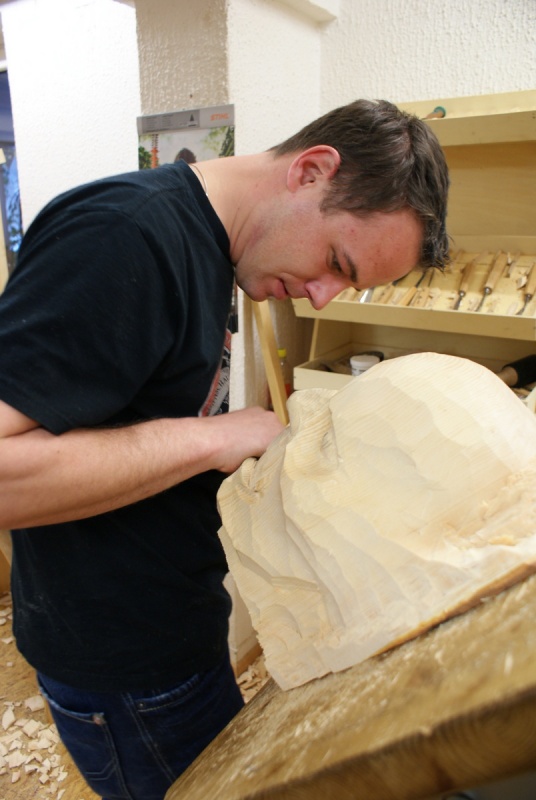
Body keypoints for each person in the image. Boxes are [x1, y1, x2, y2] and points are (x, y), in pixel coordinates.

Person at [0, 99, 449, 800]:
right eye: (335, 262)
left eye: (347, 285)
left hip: (177, 628)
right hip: (125, 665)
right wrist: (214, 436)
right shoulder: (125, 238)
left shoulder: (215, 249)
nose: (322, 299)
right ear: (311, 171)